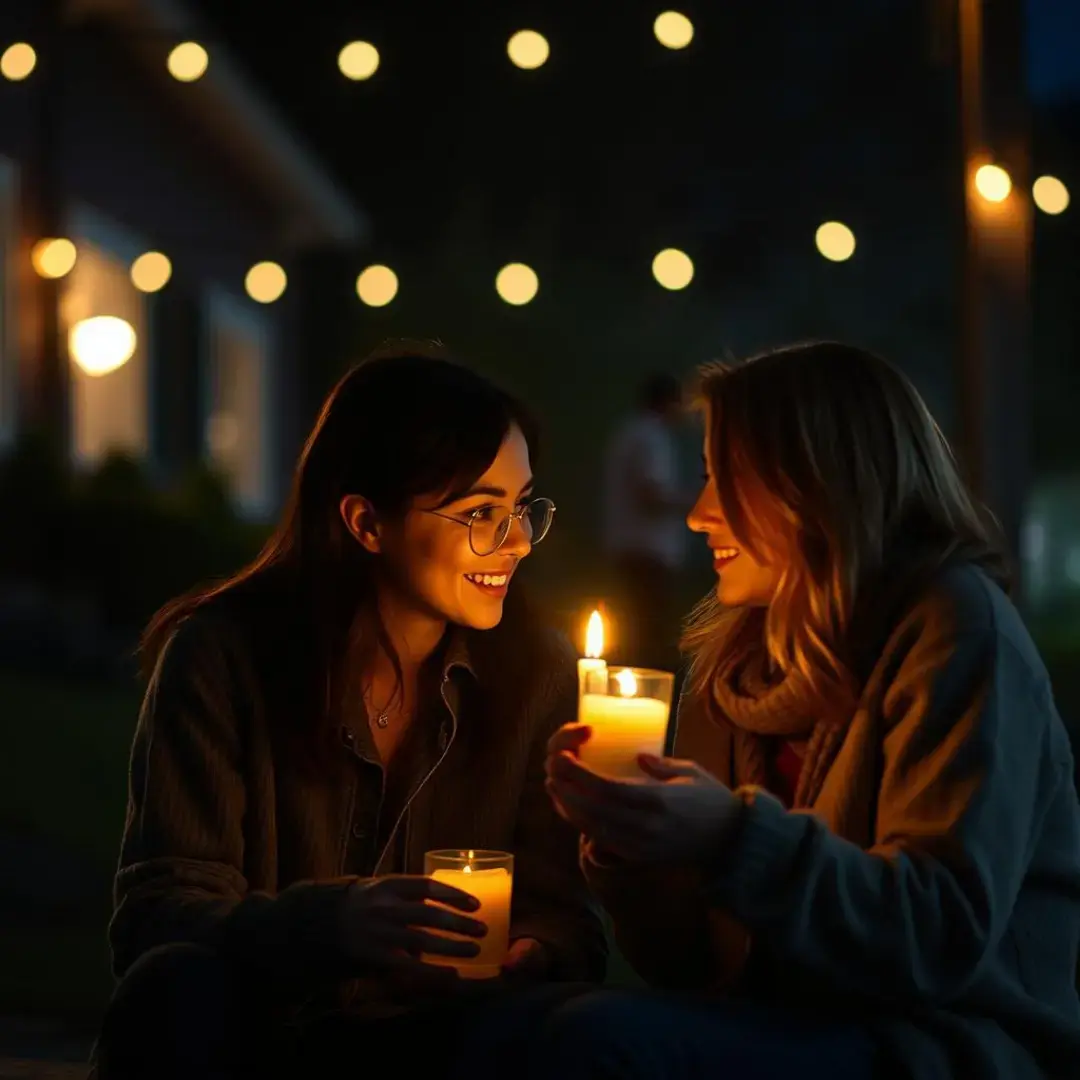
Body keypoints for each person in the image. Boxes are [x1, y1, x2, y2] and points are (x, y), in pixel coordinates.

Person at [543, 342, 1080, 1079]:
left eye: (720, 479)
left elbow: (937, 937)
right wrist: (631, 846)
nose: (699, 515)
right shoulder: (736, 667)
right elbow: (689, 966)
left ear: (813, 485)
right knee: (514, 1026)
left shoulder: (956, 630)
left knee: (592, 1042)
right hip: (786, 1025)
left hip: (943, 1043)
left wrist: (731, 837)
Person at [92, 344, 607, 1079]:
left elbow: (569, 918)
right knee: (173, 987)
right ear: (367, 523)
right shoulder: (222, 657)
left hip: (441, 1043)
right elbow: (156, 919)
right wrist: (327, 926)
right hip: (259, 1039)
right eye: (482, 512)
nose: (518, 541)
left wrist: (532, 952)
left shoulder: (536, 676)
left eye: (523, 507)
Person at [602, 372, 689, 670]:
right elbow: (652, 494)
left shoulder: (631, 432)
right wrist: (701, 503)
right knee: (648, 630)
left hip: (631, 546)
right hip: (647, 550)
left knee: (636, 625)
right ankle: (647, 690)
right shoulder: (651, 436)